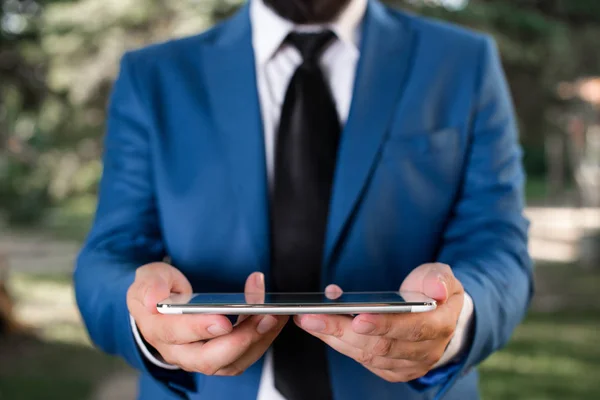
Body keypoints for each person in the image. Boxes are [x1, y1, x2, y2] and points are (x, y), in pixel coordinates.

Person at [74, 0, 533, 399]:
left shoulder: (461, 63)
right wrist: (147, 321)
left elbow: (497, 245)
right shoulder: (154, 76)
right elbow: (107, 257)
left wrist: (455, 322)